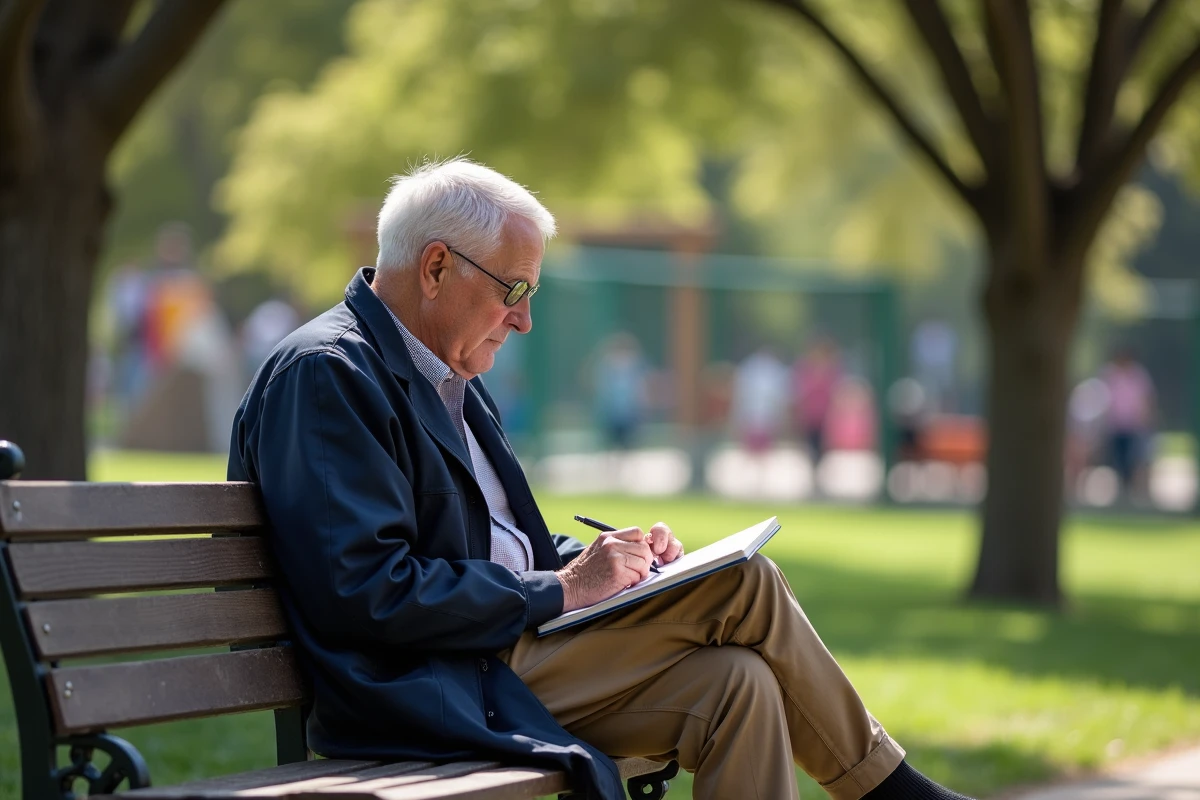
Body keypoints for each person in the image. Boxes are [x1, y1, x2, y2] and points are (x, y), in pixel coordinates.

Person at [228, 158, 973, 800]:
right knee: (746, 585)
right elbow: (366, 593)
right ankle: (888, 790)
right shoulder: (327, 377)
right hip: (419, 688)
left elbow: (493, 544)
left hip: (489, 658)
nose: (522, 322)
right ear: (435, 268)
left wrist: (614, 566)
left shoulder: (445, 370)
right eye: (513, 292)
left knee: (738, 685)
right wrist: (562, 589)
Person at [1099, 348, 1157, 499]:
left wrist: (1145, 419)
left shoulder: (1139, 375)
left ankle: (1133, 490)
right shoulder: (1110, 375)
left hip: (1134, 426)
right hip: (1115, 425)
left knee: (1134, 459)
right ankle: (1122, 489)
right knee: (1118, 458)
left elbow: (1146, 399)